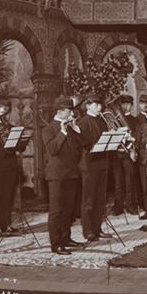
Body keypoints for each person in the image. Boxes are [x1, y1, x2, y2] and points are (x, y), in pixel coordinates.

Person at [42, 97, 84, 255]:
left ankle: (66, 238)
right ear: (59, 111)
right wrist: (63, 132)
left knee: (68, 209)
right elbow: (52, 150)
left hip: (71, 173)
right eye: (69, 111)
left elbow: (82, 145)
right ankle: (56, 243)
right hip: (57, 175)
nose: (72, 113)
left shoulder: (71, 126)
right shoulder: (48, 129)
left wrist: (75, 129)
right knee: (56, 210)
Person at [0, 100, 28, 236]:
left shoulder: (12, 128)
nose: (6, 116)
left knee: (8, 197)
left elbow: (21, 148)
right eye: (3, 113)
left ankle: (6, 225)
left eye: (7, 113)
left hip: (11, 166)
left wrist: (20, 139)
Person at [76, 94, 112, 241]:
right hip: (89, 164)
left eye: (100, 104)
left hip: (102, 164)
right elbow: (81, 143)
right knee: (89, 200)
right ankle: (88, 231)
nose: (100, 107)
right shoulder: (82, 122)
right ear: (88, 106)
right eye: (96, 105)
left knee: (100, 200)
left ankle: (97, 228)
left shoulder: (101, 120)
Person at [110, 94, 139, 215]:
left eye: (128, 104)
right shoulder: (114, 120)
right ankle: (118, 206)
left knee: (129, 181)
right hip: (116, 153)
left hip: (128, 154)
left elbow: (137, 137)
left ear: (131, 105)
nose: (125, 106)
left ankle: (131, 206)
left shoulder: (135, 120)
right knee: (118, 182)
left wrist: (132, 148)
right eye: (123, 104)